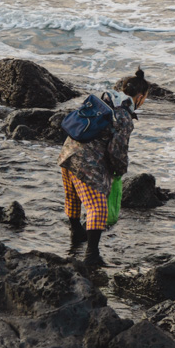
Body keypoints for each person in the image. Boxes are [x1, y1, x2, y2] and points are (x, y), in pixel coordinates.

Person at [58, 67, 150, 267]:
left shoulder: (105, 101)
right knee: (97, 208)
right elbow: (117, 152)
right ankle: (92, 256)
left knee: (73, 197)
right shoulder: (124, 116)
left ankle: (76, 234)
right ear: (140, 97)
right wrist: (120, 171)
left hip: (68, 151)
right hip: (86, 163)